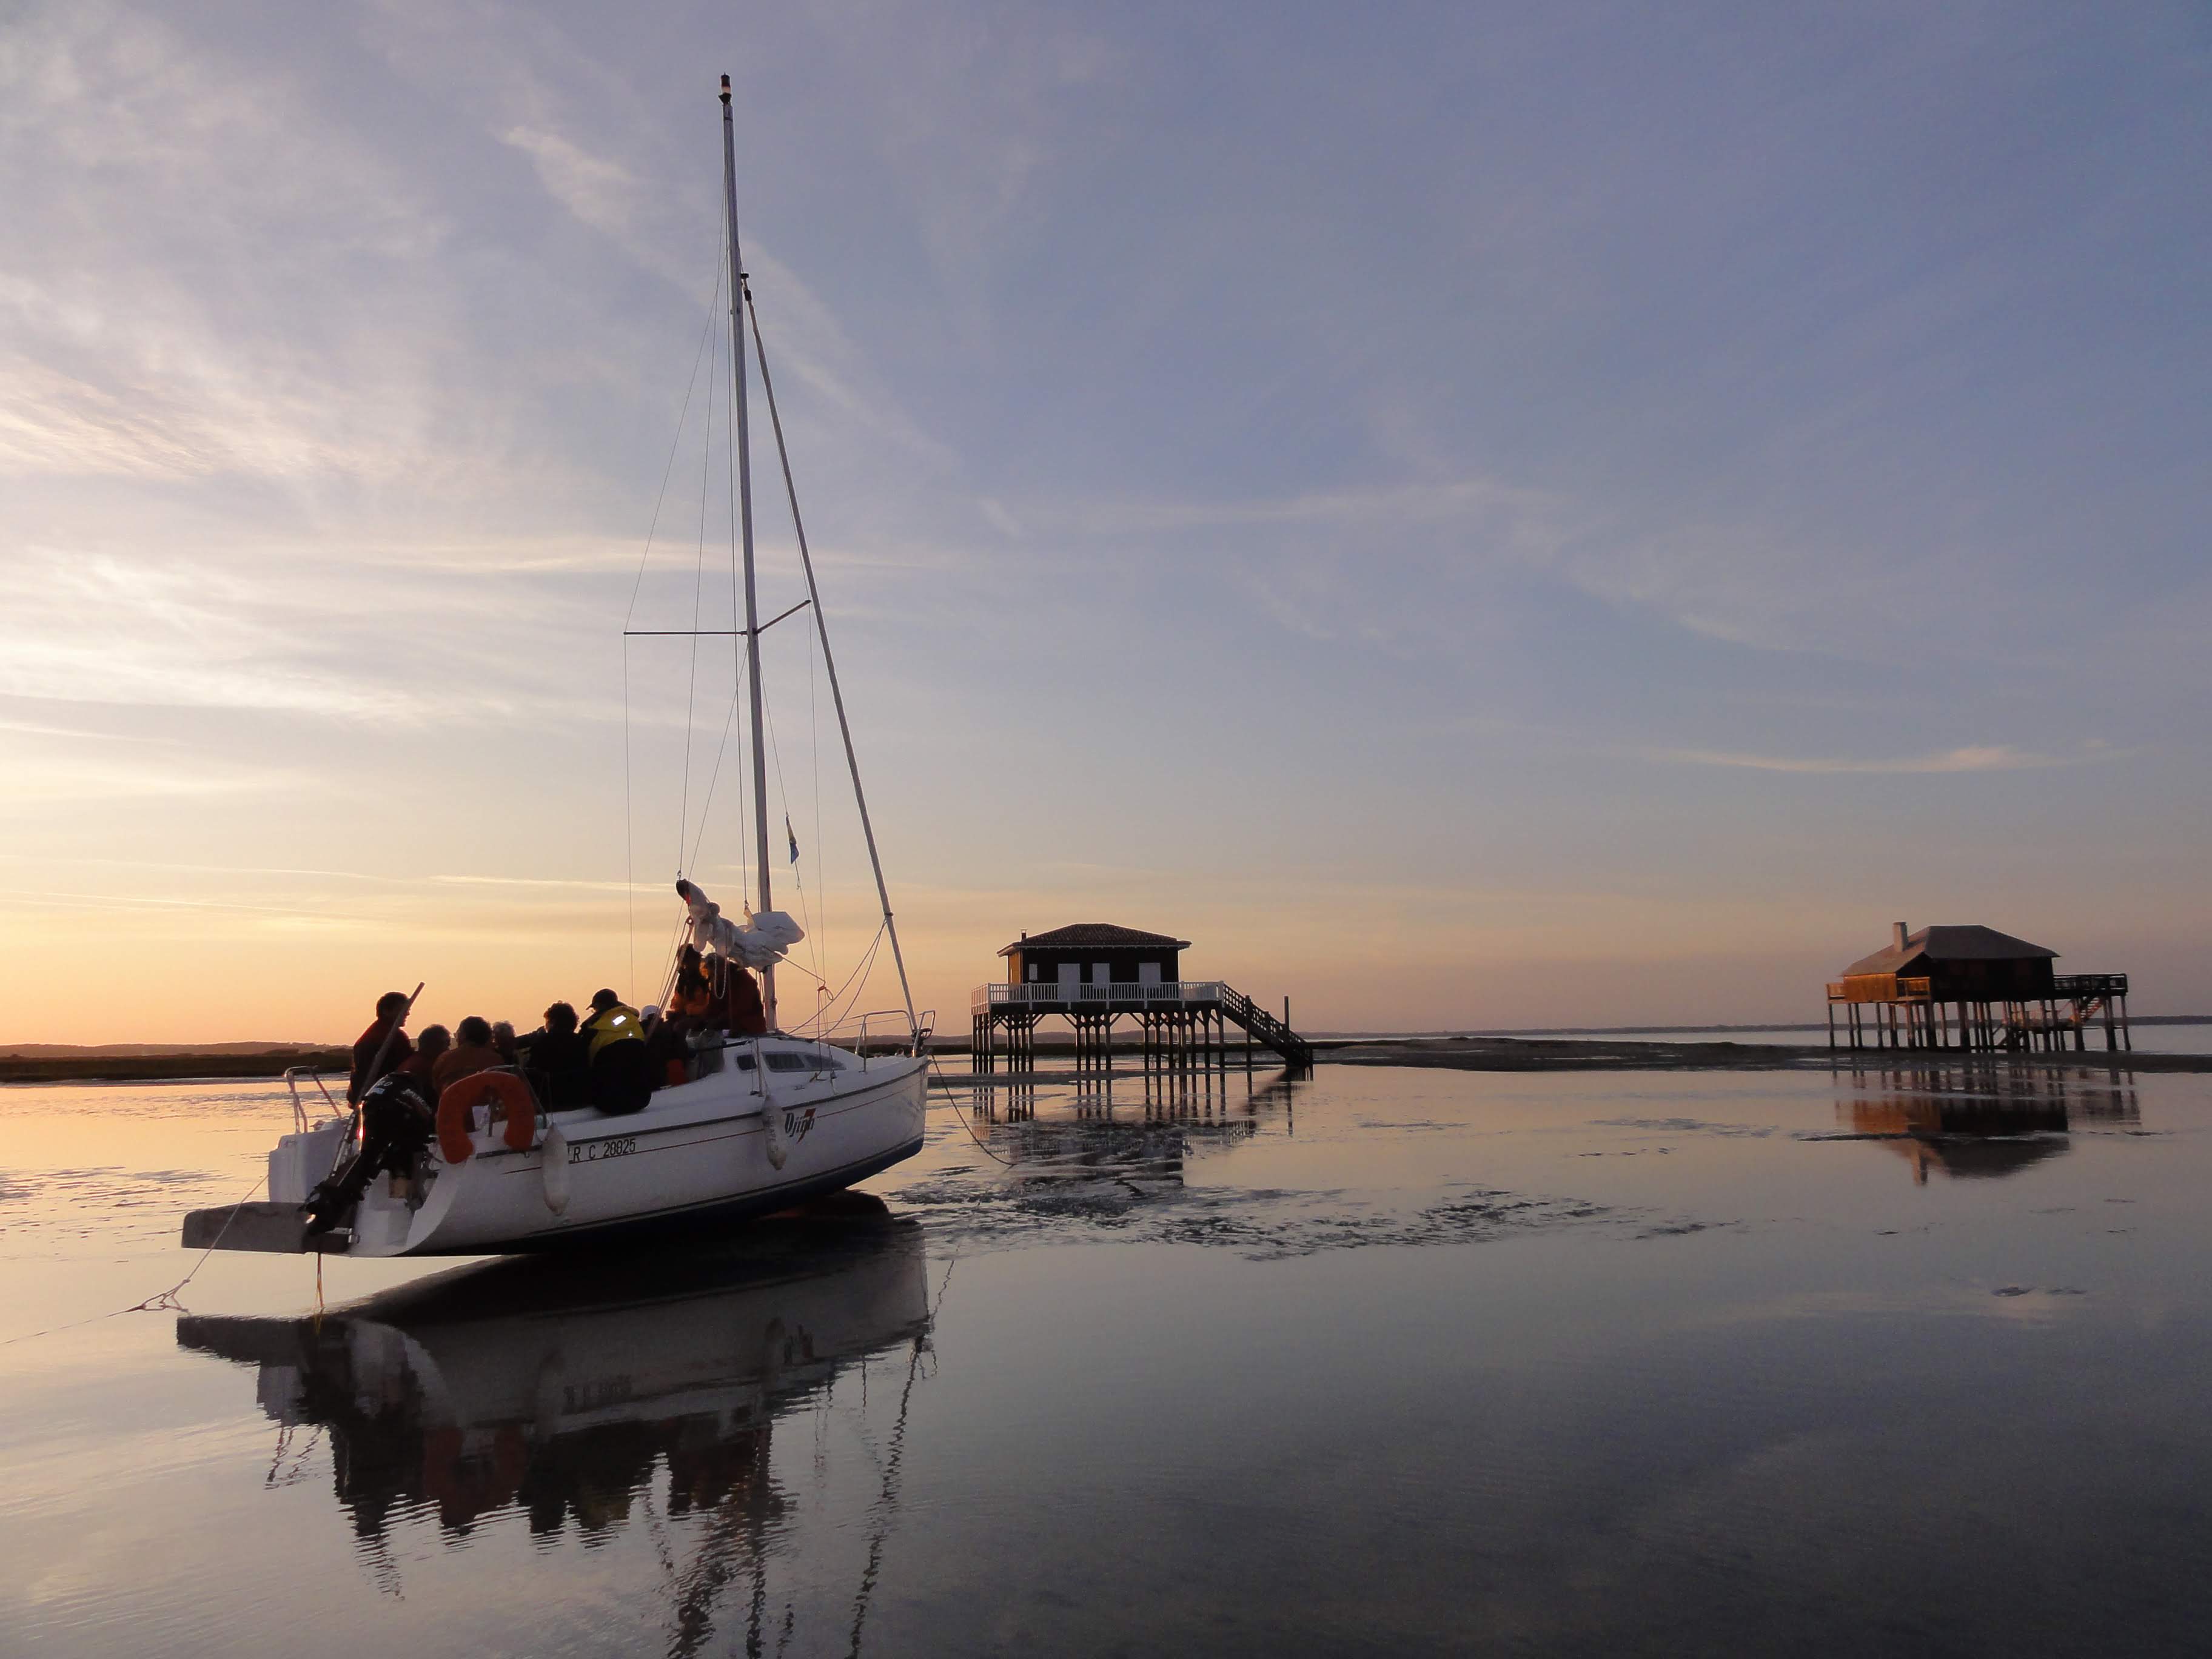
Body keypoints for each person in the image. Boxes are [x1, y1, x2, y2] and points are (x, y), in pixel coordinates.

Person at [304, 1068, 434, 1236]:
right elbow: (428, 1121)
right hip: (390, 1112)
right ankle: (328, 1211)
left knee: (367, 1158)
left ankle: (326, 1207)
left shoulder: (398, 1082)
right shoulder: (418, 1086)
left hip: (373, 1108)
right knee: (374, 1159)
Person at [579, 989, 652, 1114]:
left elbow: (584, 1061)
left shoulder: (593, 1029)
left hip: (609, 1102)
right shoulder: (633, 1022)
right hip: (642, 1097)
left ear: (600, 1007)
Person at [519, 1002, 591, 1110]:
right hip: (579, 1098)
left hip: (550, 1102)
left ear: (552, 1022)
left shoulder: (541, 1043)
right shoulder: (582, 1042)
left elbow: (532, 1073)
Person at [349, 991, 415, 1103]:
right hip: (382, 1096)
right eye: (402, 1010)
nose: (407, 1013)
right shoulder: (391, 1036)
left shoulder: (375, 1033)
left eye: (408, 1010)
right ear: (386, 1011)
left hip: (365, 1095)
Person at [434, 1016, 504, 1090]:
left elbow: (436, 1087)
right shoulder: (496, 1060)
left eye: (457, 1034)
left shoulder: (444, 1059)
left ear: (463, 1036)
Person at [708, 953, 768, 1036]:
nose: (713, 976)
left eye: (715, 973)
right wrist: (704, 1019)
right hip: (729, 1027)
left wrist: (720, 1019)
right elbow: (713, 1007)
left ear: (722, 968)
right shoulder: (718, 984)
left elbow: (743, 1006)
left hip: (750, 1028)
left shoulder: (743, 979)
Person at [400, 1025, 451, 1089]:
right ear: (433, 1044)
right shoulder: (427, 1068)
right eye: (447, 1043)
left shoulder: (412, 1061)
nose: (448, 1049)